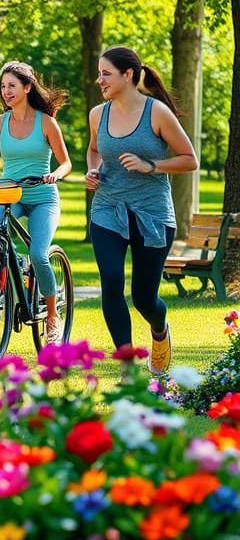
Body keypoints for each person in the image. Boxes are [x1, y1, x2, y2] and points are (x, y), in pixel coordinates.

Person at [85, 45, 198, 372]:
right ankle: (128, 367)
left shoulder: (156, 112)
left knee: (144, 298)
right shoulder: (98, 114)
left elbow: (189, 160)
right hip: (107, 210)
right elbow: (94, 151)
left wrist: (150, 165)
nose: (99, 80)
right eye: (98, 73)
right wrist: (93, 171)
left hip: (152, 215)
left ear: (128, 75)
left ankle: (160, 331)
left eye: (106, 74)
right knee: (110, 281)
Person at [0, 61, 72, 344]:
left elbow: (66, 163)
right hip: (10, 191)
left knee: (40, 255)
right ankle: (13, 264)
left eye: (12, 85)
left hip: (42, 197)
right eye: (3, 86)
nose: (6, 91)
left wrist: (55, 175)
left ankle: (51, 316)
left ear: (27, 87)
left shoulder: (46, 122)